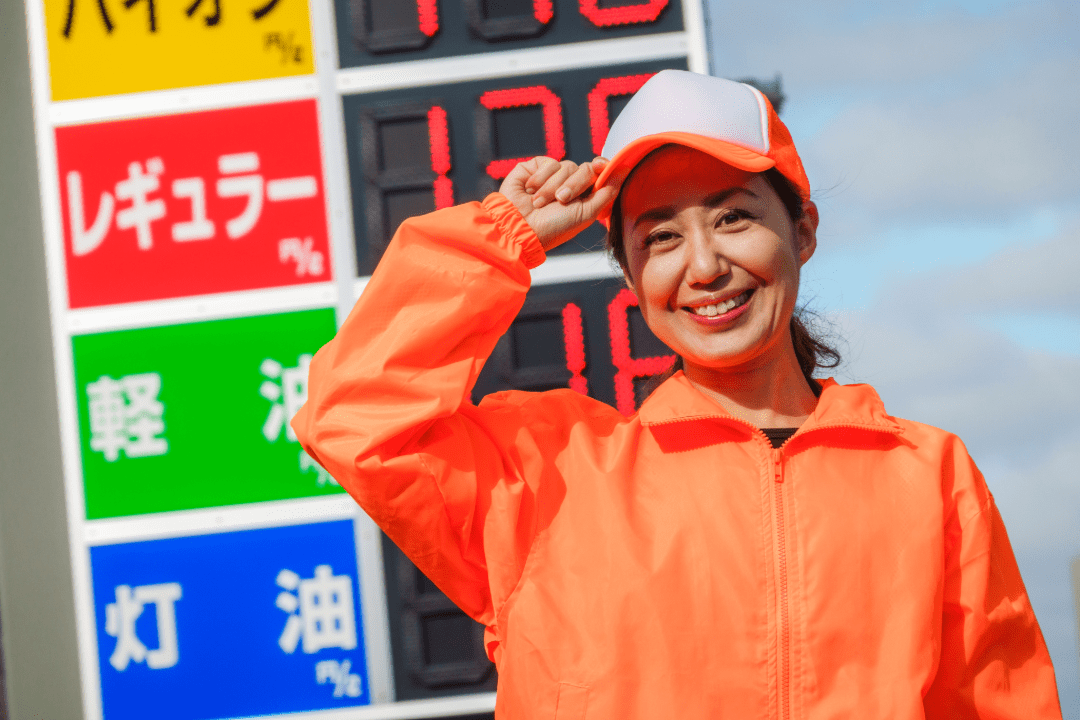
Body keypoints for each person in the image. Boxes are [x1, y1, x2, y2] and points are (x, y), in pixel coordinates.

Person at [292, 70, 1062, 719]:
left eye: (733, 218)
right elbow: (354, 414)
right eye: (659, 236)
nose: (704, 267)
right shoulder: (544, 472)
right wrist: (505, 233)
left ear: (803, 231)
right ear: (628, 275)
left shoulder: (928, 474)